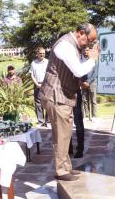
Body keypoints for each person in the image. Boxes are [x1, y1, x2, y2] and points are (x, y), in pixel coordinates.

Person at [39, 23, 99, 181]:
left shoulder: (72, 45)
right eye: (89, 40)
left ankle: (66, 167)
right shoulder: (65, 45)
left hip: (63, 96)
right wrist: (92, 59)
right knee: (61, 134)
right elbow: (78, 70)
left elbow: (73, 71)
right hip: (55, 95)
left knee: (64, 134)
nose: (89, 44)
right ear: (80, 33)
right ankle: (61, 170)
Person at [29, 47, 49, 127]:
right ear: (37, 54)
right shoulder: (33, 63)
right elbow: (32, 75)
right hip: (37, 84)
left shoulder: (48, 62)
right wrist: (37, 84)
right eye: (40, 53)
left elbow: (50, 73)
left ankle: (48, 121)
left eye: (43, 53)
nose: (42, 55)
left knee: (47, 102)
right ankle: (40, 121)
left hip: (46, 84)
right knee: (38, 103)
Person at [81, 46, 98, 121]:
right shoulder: (80, 61)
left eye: (87, 50)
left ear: (89, 51)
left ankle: (94, 116)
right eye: (84, 50)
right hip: (83, 82)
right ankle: (87, 116)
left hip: (92, 82)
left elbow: (95, 73)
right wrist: (82, 82)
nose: (86, 52)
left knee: (93, 100)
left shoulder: (93, 61)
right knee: (85, 100)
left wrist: (88, 81)